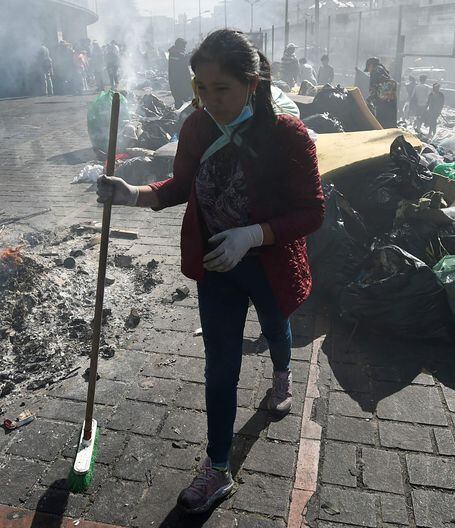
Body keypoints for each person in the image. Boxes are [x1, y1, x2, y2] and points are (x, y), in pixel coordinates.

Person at [96, 29, 323, 514]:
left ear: (252, 84)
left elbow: (312, 212)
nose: (210, 100)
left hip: (268, 264)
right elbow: (180, 186)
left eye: (222, 89)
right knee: (220, 365)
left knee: (275, 325)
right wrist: (132, 194)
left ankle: (282, 374)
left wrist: (252, 234)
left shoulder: (286, 135)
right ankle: (218, 467)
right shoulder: (198, 126)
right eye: (201, 87)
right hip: (217, 264)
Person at [365, 57, 397, 128]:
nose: (369, 71)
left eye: (368, 68)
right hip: (390, 101)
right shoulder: (383, 71)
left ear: (371, 65)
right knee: (389, 123)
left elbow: (375, 88)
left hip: (382, 102)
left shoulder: (375, 72)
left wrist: (368, 100)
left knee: (382, 122)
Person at [168, 38, 192, 109]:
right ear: (179, 45)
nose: (184, 48)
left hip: (180, 83)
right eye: (183, 46)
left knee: (184, 103)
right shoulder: (174, 54)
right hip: (178, 84)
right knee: (181, 103)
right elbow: (184, 61)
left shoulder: (177, 54)